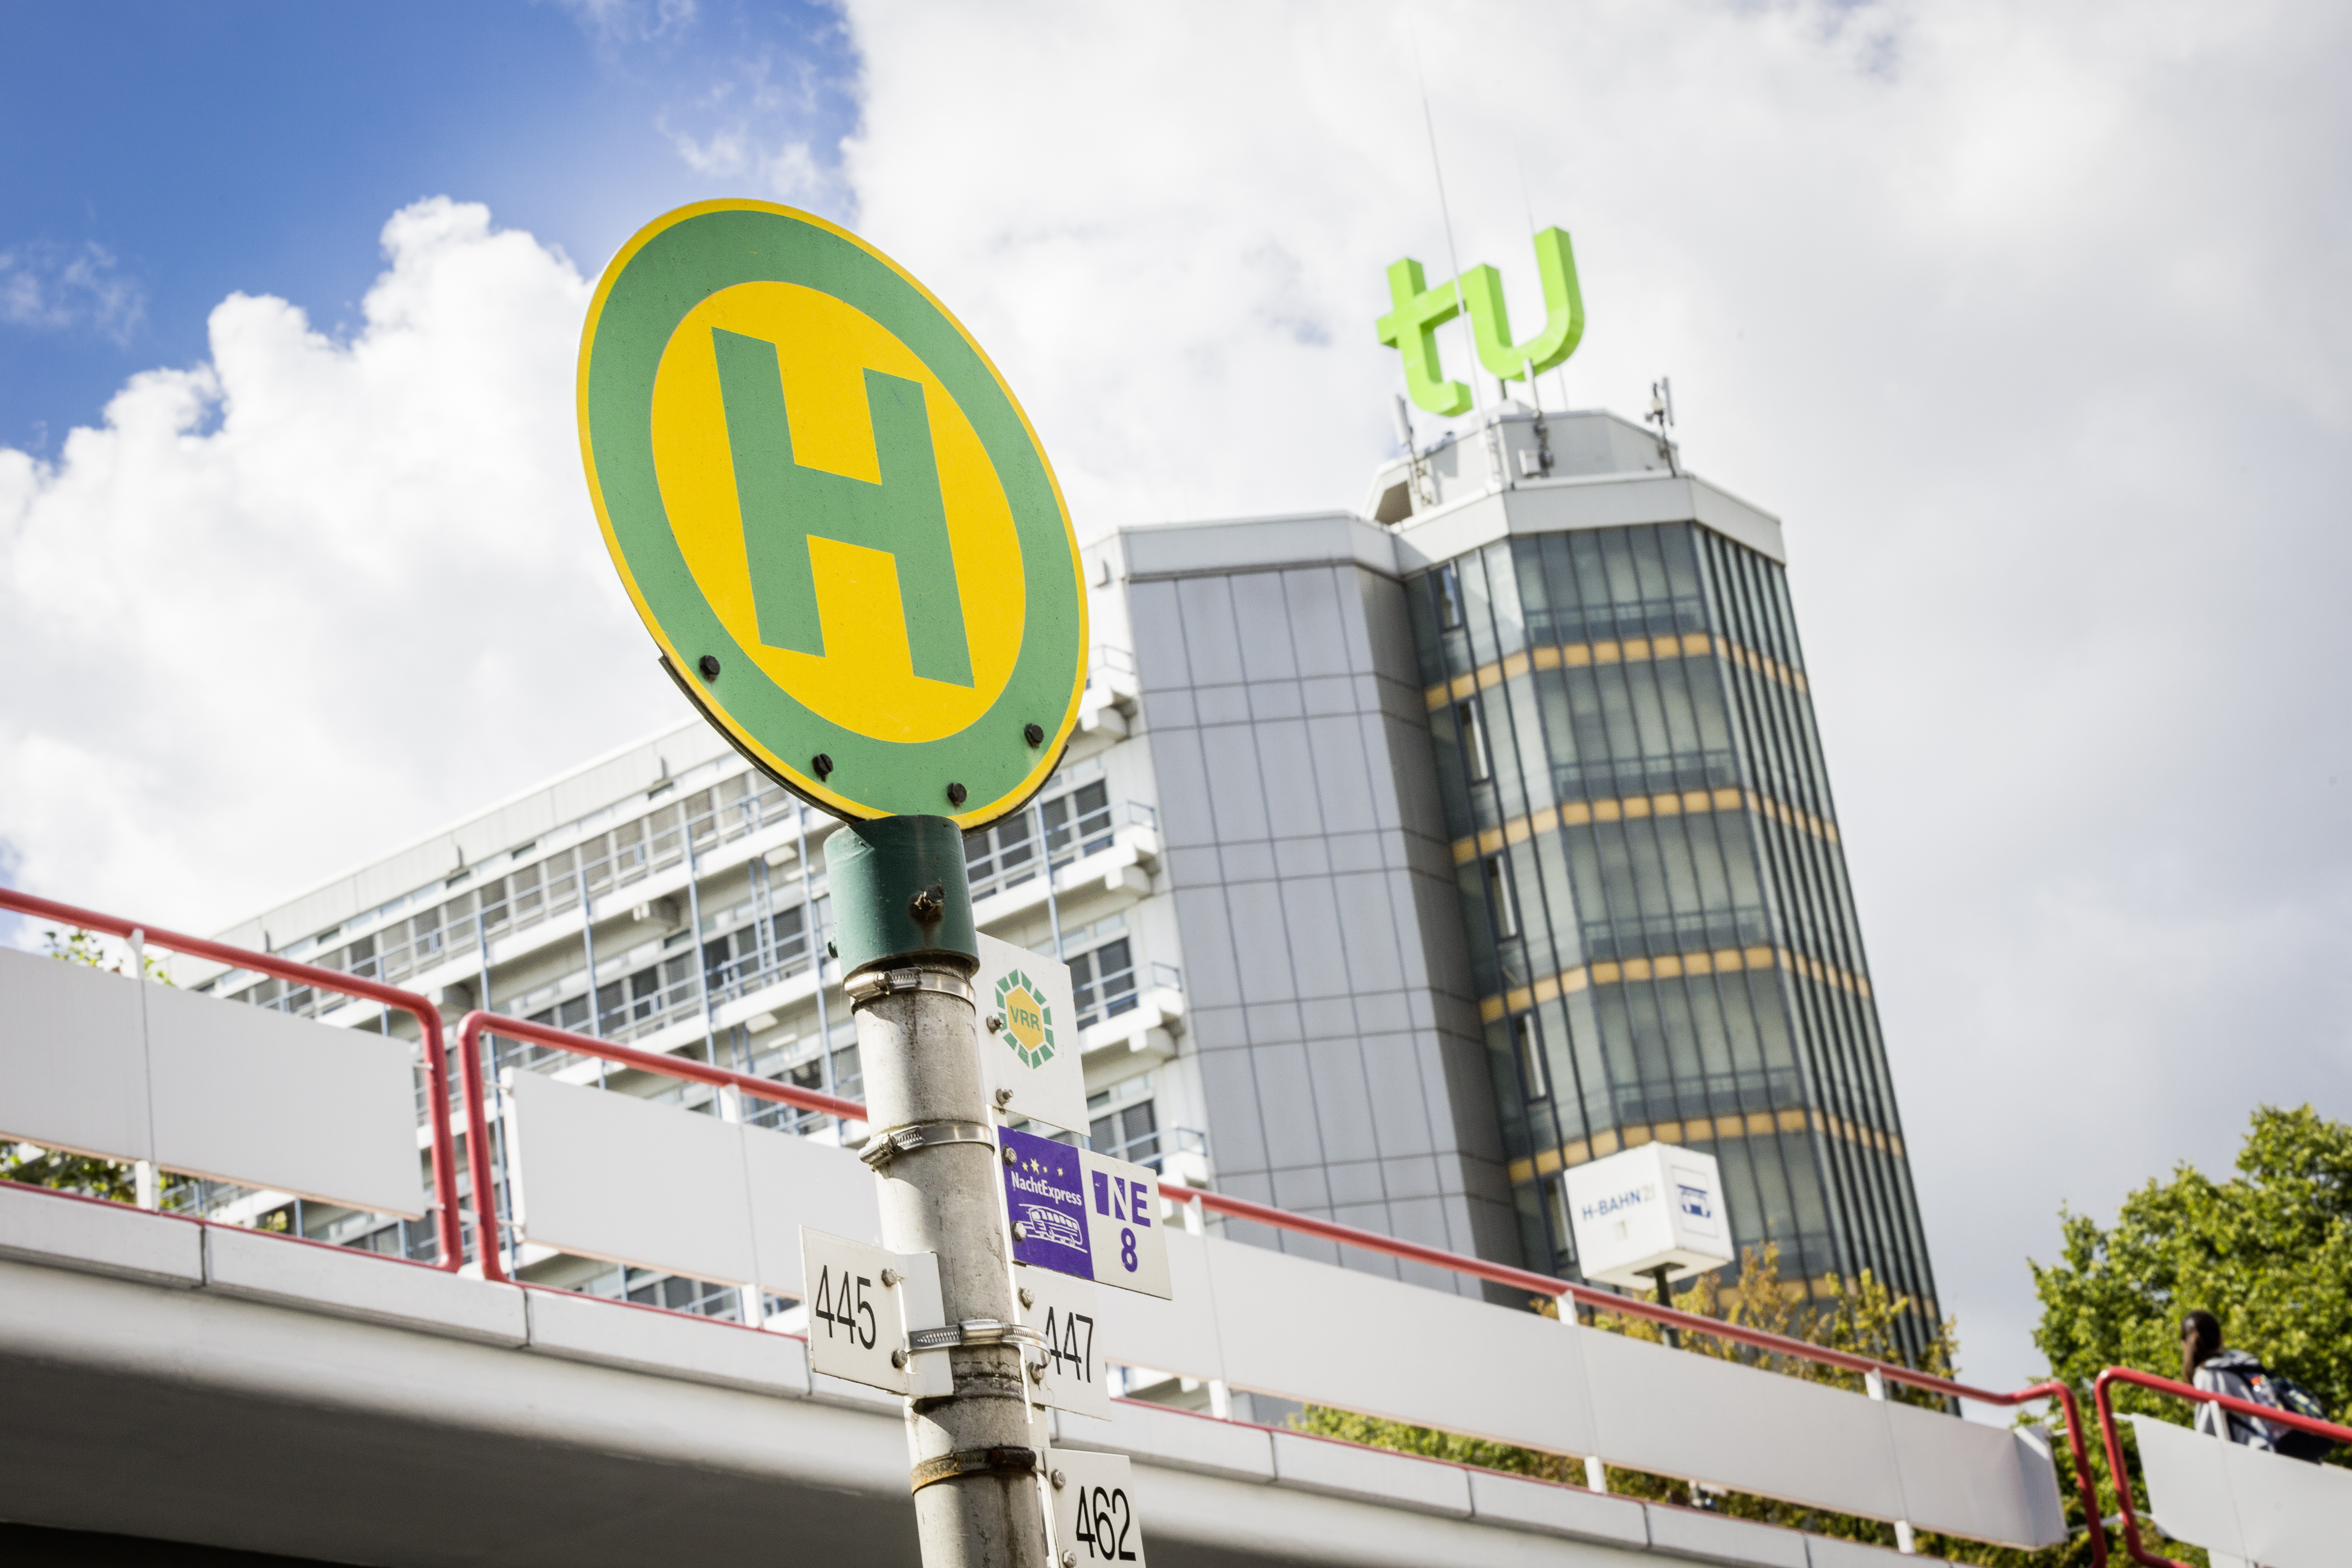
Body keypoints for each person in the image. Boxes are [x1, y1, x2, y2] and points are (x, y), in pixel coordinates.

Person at [2182, 1309, 2280, 1452]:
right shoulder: (2244, 1363)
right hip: (2280, 1445)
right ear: (2221, 1338)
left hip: (2259, 1454)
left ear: (2184, 1345)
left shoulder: (2209, 1374)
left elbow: (2207, 1435)